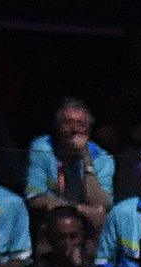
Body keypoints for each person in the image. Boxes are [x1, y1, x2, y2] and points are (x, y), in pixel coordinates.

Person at [24, 98, 113, 231]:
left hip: (86, 225)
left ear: (89, 129)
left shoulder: (103, 158)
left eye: (81, 124)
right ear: (57, 126)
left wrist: (86, 157)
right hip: (51, 221)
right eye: (68, 123)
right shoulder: (42, 147)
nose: (74, 130)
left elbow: (100, 205)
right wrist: (79, 208)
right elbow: (35, 198)